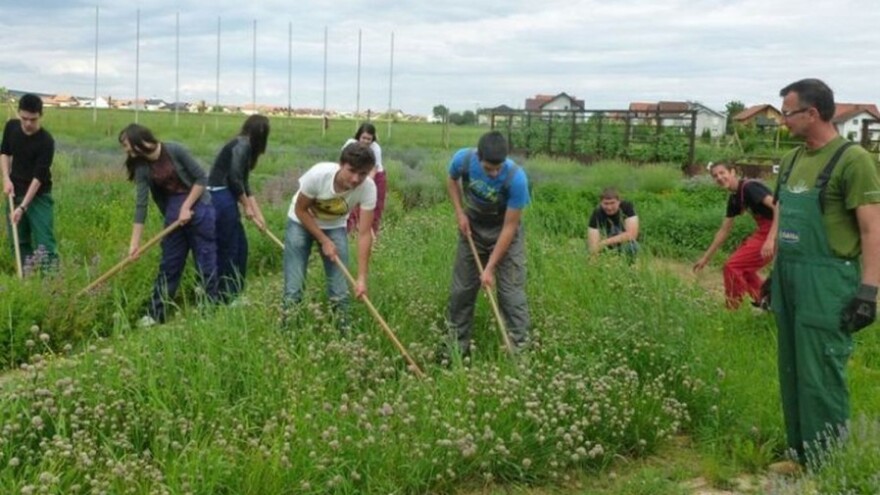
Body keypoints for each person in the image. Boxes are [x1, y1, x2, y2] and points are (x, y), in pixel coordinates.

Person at [770, 78, 880, 472]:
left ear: (811, 113)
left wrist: (868, 290)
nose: (784, 121)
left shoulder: (853, 160)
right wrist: (772, 273)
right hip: (789, 276)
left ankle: (828, 464)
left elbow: (872, 229)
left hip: (828, 281)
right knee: (793, 366)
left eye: (788, 113)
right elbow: (783, 216)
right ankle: (800, 454)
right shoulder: (794, 160)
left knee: (821, 371)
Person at [118, 124, 219, 326]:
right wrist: (134, 244)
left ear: (140, 142)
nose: (126, 151)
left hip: (198, 206)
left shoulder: (175, 150)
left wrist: (187, 206)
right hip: (174, 213)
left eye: (127, 146)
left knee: (205, 259)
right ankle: (156, 314)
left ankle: (208, 308)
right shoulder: (141, 167)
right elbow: (141, 205)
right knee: (169, 263)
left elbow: (201, 178)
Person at [446, 131, 530, 356]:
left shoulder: (517, 178)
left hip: (503, 233)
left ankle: (519, 354)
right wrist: (459, 212)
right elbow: (451, 179)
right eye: (488, 168)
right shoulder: (462, 160)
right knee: (461, 292)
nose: (494, 173)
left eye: (498, 168)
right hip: (472, 229)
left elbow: (510, 228)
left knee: (511, 295)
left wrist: (490, 267)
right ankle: (455, 349)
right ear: (478, 156)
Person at [282, 142, 376, 330]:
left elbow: (365, 233)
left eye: (363, 173)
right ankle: (289, 332)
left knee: (340, 290)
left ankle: (344, 336)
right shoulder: (318, 175)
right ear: (341, 164)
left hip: (334, 225)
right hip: (300, 221)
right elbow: (301, 210)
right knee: (294, 288)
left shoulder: (368, 188)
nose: (356, 178)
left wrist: (362, 278)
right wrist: (323, 240)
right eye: (351, 170)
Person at [693, 163, 776, 309]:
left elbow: (779, 206)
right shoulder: (734, 198)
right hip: (764, 231)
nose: (719, 177)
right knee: (745, 270)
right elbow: (724, 230)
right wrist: (705, 258)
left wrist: (771, 239)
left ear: (732, 172)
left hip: (777, 230)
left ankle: (733, 310)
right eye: (715, 176)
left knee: (732, 267)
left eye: (722, 173)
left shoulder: (750, 188)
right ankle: (767, 303)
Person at [208, 114, 270, 302]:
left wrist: (259, 215)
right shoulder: (242, 145)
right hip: (219, 195)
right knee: (231, 247)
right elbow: (234, 180)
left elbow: (244, 183)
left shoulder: (245, 147)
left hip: (226, 195)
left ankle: (234, 292)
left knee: (241, 246)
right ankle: (226, 296)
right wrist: (246, 206)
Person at [1, 93, 59, 271]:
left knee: (45, 244)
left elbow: (39, 177)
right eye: (24, 118)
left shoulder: (46, 141)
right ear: (19, 113)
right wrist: (6, 178)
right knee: (19, 241)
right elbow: (5, 152)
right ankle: (27, 279)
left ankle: (52, 286)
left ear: (40, 116)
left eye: (32, 119)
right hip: (14, 192)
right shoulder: (11, 127)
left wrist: (23, 207)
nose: (27, 123)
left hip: (38, 196)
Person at [344, 123, 386, 238]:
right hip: (355, 175)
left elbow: (373, 169)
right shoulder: (350, 144)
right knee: (350, 204)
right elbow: (344, 163)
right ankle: (350, 234)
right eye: (364, 138)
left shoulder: (375, 148)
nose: (366, 141)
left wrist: (364, 184)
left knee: (373, 206)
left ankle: (371, 236)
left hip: (375, 177)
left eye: (369, 139)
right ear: (358, 136)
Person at [586, 188, 639, 261]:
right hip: (605, 248)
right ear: (601, 203)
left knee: (632, 247)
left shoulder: (627, 207)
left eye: (612, 203)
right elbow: (593, 242)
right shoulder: (597, 213)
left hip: (622, 244)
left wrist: (604, 242)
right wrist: (594, 255)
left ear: (619, 201)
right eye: (606, 204)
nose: (609, 207)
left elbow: (632, 235)